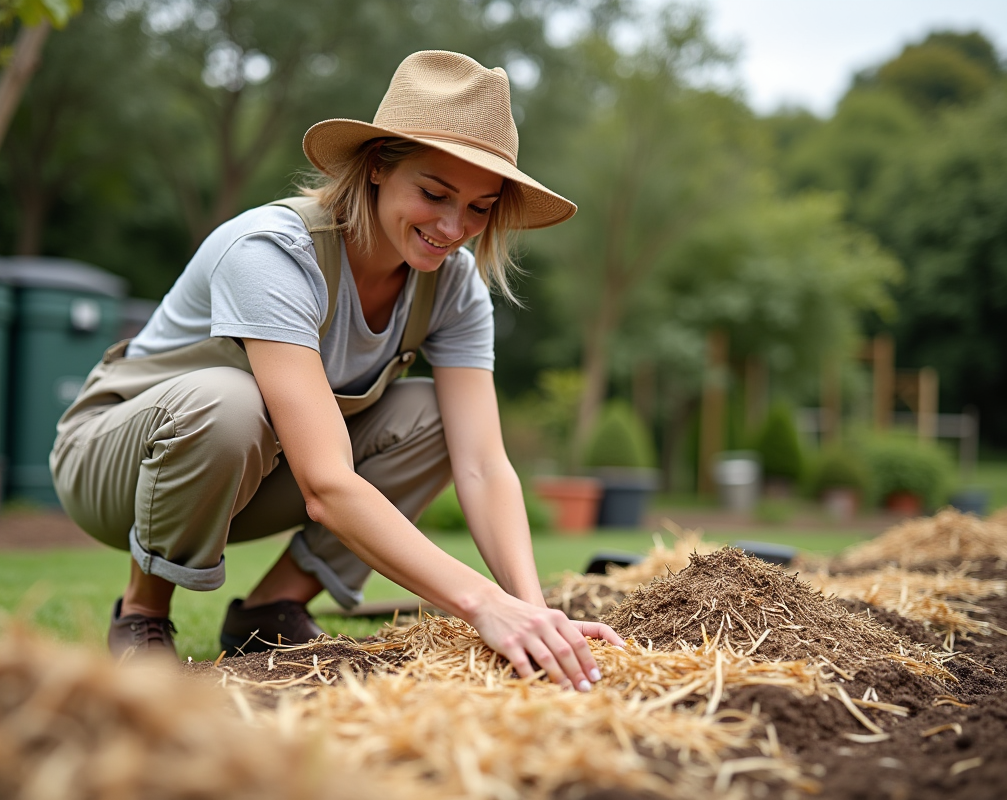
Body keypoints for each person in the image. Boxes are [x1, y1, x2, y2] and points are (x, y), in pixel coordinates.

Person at [50, 50, 624, 692]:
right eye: (433, 194)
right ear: (378, 166)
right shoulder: (272, 253)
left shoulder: (454, 286)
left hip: (256, 475)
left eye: (479, 208)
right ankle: (142, 614)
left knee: (438, 419)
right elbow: (325, 483)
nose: (452, 228)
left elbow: (484, 463)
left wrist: (530, 608)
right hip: (116, 467)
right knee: (229, 404)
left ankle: (270, 610)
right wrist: (480, 602)